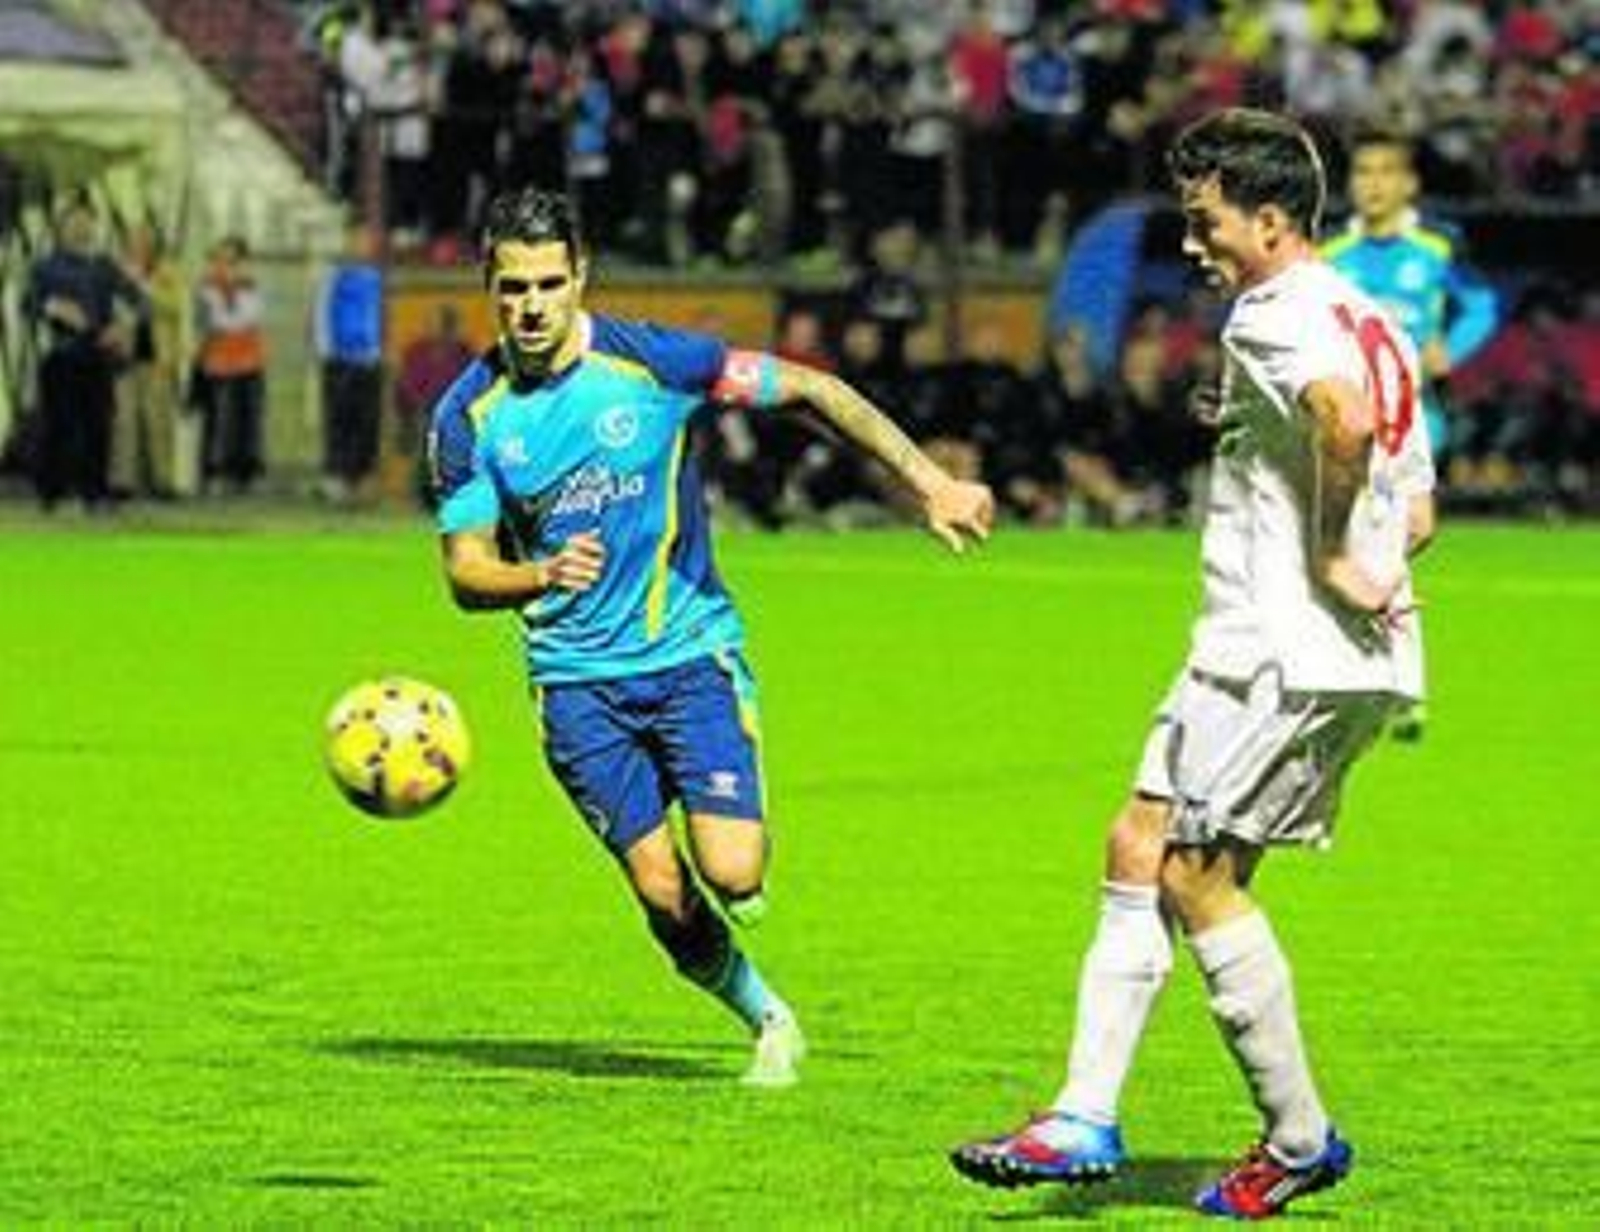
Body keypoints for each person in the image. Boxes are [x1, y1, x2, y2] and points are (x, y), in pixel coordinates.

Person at [949, 108, 1432, 1220]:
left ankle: (1298, 1136)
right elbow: (1420, 508)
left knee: (1194, 878)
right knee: (1138, 838)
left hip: (1279, 655)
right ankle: (1080, 1116)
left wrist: (1320, 555)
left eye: (1204, 219)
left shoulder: (1271, 314)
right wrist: (1358, 554)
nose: (1189, 242)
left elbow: (1345, 427)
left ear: (1268, 221)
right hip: (1261, 647)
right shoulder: (1368, 315)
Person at [428, 187, 994, 1087]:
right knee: (661, 890)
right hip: (575, 682)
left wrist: (930, 483)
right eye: (511, 289)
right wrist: (535, 575)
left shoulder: (655, 365)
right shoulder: (470, 418)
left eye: (547, 284)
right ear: (488, 289)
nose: (530, 306)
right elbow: (464, 570)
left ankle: (734, 834)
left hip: (688, 653)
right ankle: (764, 1014)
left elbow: (811, 387)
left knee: (733, 871)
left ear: (581, 278)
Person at [1321, 126, 1494, 739]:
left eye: (1384, 173)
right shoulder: (1331, 252)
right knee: (1374, 543)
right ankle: (1387, 680)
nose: (1372, 185)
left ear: (1408, 183)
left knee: (1382, 538)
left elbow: (1482, 306)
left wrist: (1454, 347)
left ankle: (1395, 684)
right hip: (1342, 419)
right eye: (1362, 173)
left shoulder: (1436, 246)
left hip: (1414, 419)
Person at [22, 199, 145, 512]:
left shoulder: (103, 265)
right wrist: (55, 307)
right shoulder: (45, 265)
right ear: (60, 228)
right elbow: (29, 304)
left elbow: (139, 300)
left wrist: (121, 325)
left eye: (86, 221)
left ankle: (95, 493)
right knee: (59, 425)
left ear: (94, 226)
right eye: (73, 221)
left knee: (99, 425)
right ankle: (53, 493)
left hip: (98, 355)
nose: (80, 227)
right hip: (61, 354)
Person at [193, 235, 268, 495]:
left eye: (233, 260)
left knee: (251, 421)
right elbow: (218, 322)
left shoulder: (252, 286)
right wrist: (231, 316)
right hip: (218, 364)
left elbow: (252, 317)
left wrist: (232, 316)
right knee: (221, 422)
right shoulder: (206, 287)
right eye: (221, 259)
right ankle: (216, 473)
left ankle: (248, 474)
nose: (227, 265)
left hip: (251, 361)